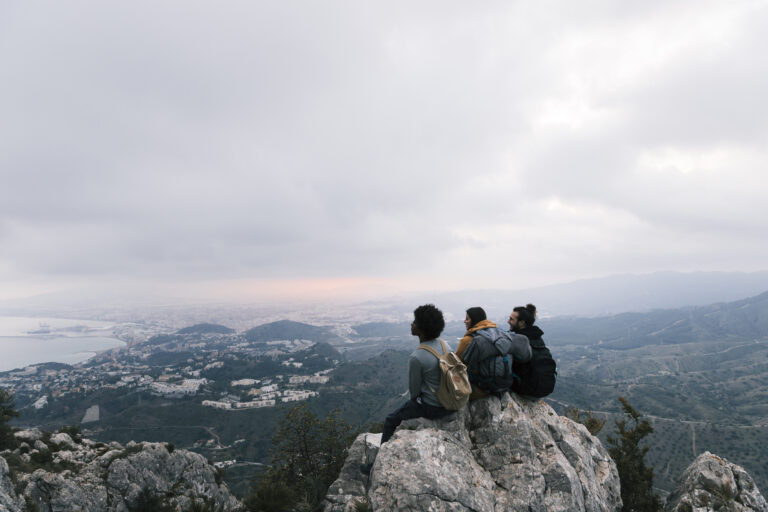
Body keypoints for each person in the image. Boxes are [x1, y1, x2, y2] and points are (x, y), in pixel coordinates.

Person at [380, 304, 455, 444]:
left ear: (421, 330)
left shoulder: (417, 357)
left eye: (415, 322)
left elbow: (414, 392)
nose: (412, 324)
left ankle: (378, 458)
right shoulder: (444, 344)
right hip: (451, 402)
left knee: (391, 420)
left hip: (434, 408)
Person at [456, 306, 531, 399]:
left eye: (467, 318)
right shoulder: (499, 334)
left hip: (481, 388)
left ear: (474, 320)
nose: (465, 321)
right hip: (504, 386)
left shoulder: (468, 340)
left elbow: (456, 365)